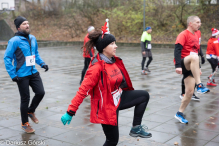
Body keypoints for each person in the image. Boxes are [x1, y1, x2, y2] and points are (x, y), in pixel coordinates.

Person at [61, 20, 152, 146]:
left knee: (143, 96)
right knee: (112, 141)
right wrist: (70, 111)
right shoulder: (96, 68)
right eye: (112, 43)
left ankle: (136, 127)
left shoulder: (113, 60)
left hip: (119, 98)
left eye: (115, 43)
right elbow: (83, 90)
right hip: (107, 107)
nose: (116, 46)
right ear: (104, 47)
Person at [4, 16, 49, 133]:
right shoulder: (14, 41)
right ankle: (25, 123)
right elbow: (7, 58)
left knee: (40, 92)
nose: (27, 25)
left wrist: (42, 63)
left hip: (33, 72)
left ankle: (30, 111)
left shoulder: (33, 38)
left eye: (28, 23)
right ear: (19, 27)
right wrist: (12, 74)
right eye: (24, 24)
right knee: (25, 99)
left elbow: (36, 54)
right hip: (21, 74)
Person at [174, 16, 210, 124]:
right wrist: (177, 66)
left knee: (189, 92)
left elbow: (197, 48)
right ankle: (199, 85)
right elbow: (177, 50)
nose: (200, 24)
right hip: (183, 61)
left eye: (200, 22)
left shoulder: (198, 33)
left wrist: (200, 63)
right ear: (190, 23)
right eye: (197, 22)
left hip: (192, 63)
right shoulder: (183, 34)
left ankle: (179, 113)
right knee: (194, 57)